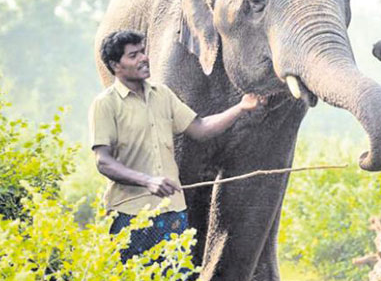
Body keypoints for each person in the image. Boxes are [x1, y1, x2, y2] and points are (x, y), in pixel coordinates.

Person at [89, 29, 260, 261]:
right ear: (115, 66)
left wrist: (241, 107)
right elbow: (103, 161)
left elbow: (200, 128)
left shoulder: (163, 95)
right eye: (133, 56)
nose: (143, 58)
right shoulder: (105, 104)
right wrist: (147, 180)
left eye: (142, 52)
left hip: (172, 212)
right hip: (129, 214)